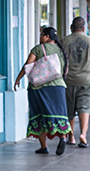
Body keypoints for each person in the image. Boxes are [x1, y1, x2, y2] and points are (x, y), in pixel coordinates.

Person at [14, 27, 71, 155]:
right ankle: (62, 137)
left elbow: (27, 65)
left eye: (41, 35)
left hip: (39, 88)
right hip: (58, 87)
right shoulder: (61, 50)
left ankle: (44, 146)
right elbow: (65, 70)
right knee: (59, 114)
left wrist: (18, 79)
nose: (40, 37)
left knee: (39, 115)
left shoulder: (39, 49)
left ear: (46, 36)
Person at [63, 17, 90, 148]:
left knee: (69, 110)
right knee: (84, 108)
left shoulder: (65, 41)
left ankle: (71, 136)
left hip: (69, 81)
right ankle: (83, 135)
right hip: (87, 81)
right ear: (84, 28)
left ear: (71, 27)